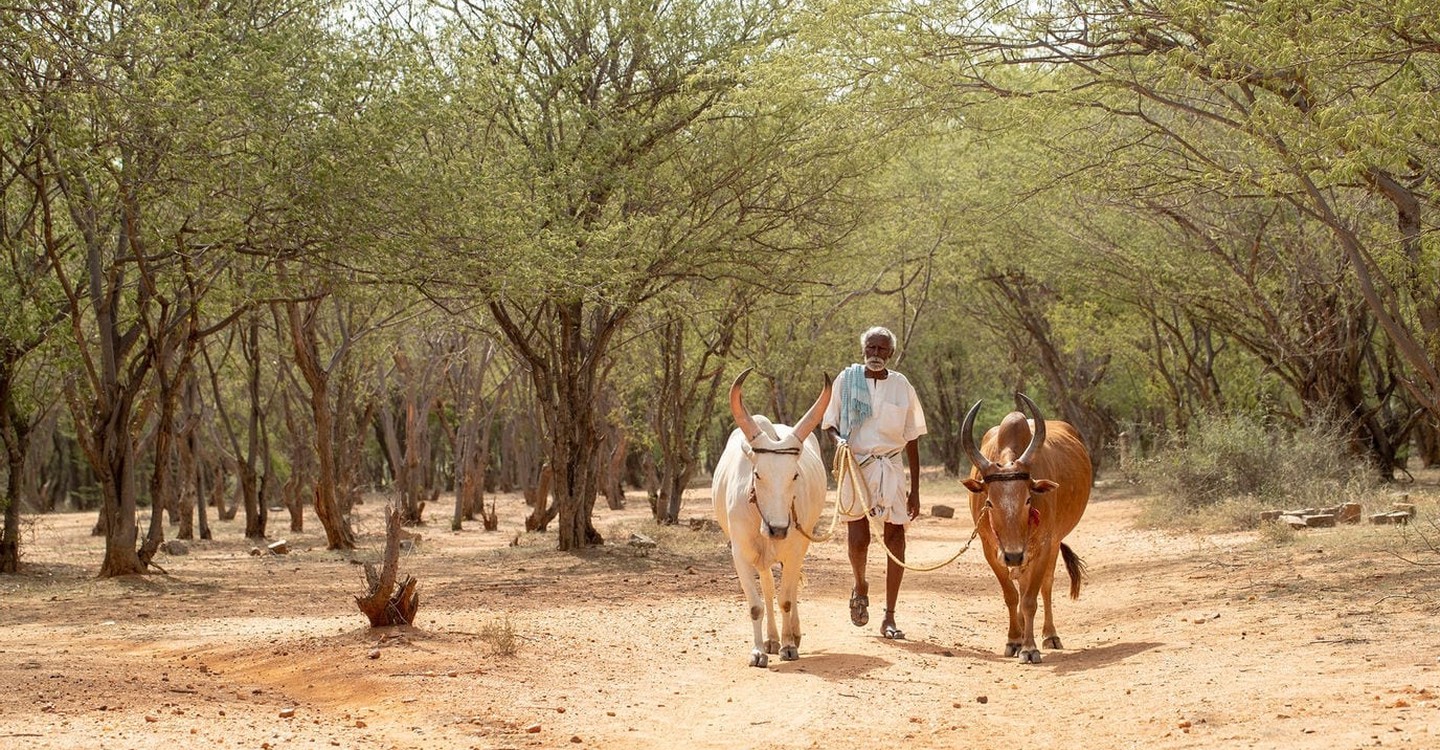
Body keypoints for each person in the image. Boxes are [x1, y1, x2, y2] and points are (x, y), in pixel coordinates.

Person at [823, 326, 927, 640]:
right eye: (871, 348)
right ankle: (860, 585)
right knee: (858, 538)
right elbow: (830, 424)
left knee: (896, 539)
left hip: (891, 469)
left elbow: (911, 438)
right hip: (855, 466)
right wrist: (839, 441)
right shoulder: (847, 379)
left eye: (882, 349)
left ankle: (890, 617)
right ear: (863, 349)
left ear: (891, 353)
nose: (876, 354)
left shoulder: (902, 385)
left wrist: (916, 490)